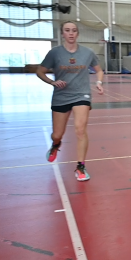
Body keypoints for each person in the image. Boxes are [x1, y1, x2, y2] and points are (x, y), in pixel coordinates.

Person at [37, 21, 104, 182]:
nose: (71, 33)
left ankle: (80, 166)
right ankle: (55, 145)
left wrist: (99, 82)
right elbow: (40, 71)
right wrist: (51, 82)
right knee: (57, 134)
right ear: (62, 34)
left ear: (77, 33)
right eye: (67, 30)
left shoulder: (87, 53)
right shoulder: (55, 53)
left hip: (82, 95)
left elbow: (99, 70)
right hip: (61, 96)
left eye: (74, 30)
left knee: (80, 130)